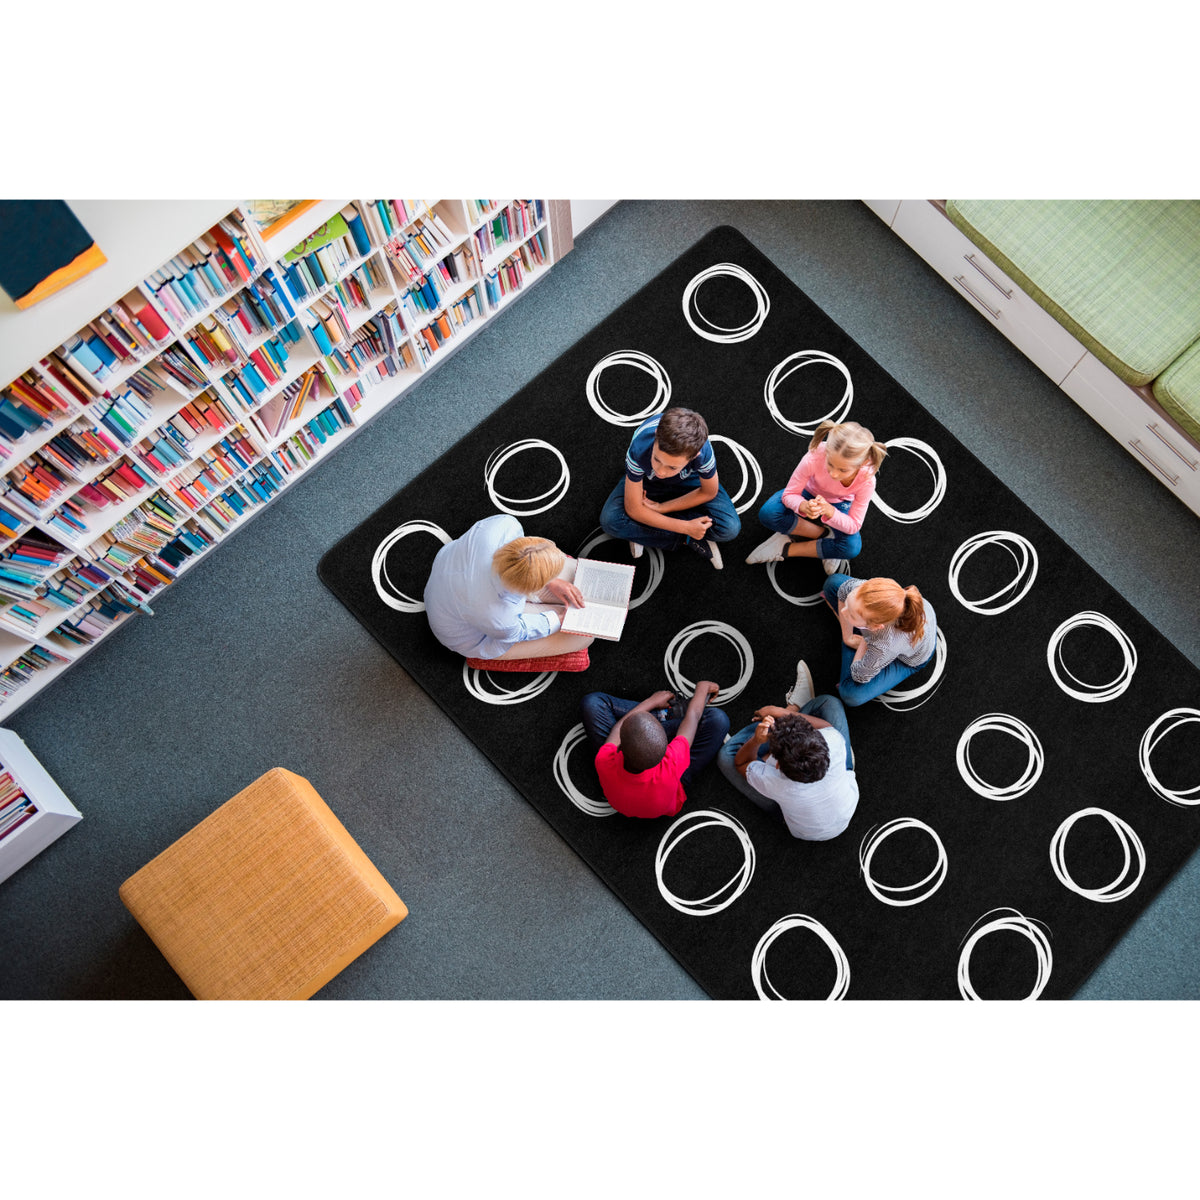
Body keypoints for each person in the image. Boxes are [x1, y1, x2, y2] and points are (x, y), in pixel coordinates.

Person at [717, 660, 858, 840]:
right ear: (819, 739)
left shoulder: (777, 783)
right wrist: (779, 712)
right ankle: (791, 711)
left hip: (797, 823)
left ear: (776, 765)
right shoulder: (832, 741)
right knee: (828, 703)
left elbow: (741, 762)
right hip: (844, 805)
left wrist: (756, 740)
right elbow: (826, 726)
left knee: (726, 756)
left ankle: (783, 718)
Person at [423, 512, 594, 661]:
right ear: (531, 587)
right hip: (476, 634)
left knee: (575, 577)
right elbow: (519, 630)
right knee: (583, 638)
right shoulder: (499, 619)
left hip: (455, 576)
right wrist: (559, 620)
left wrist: (551, 580)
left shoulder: (504, 526)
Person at [599, 406, 741, 570]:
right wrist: (686, 528)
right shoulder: (640, 447)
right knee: (610, 520)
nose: (660, 471)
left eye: (671, 467)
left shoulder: (703, 452)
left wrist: (661, 508)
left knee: (730, 528)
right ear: (656, 437)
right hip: (646, 480)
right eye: (657, 459)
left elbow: (709, 491)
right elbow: (634, 509)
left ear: (694, 456)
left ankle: (643, 530)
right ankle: (688, 538)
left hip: (689, 480)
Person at [745, 420, 886, 575]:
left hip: (840, 504)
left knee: (851, 548)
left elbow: (854, 525)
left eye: (843, 470)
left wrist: (830, 512)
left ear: (863, 463)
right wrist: (802, 506)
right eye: (830, 464)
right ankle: (825, 536)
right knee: (768, 513)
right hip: (808, 492)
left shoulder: (867, 480)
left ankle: (786, 548)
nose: (834, 474)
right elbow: (790, 494)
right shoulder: (816, 454)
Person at [580, 681, 729, 818]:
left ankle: (658, 715)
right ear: (666, 749)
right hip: (674, 783)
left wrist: (651, 701)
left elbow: (620, 727)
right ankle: (665, 716)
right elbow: (693, 716)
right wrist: (702, 688)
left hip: (626, 793)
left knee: (592, 703)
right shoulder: (671, 762)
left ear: (620, 748)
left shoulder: (605, 760)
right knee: (718, 720)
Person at [823, 572, 937, 706]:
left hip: (912, 658)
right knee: (833, 583)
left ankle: (858, 635)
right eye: (848, 605)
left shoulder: (883, 645)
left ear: (876, 626)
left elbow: (859, 675)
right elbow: (843, 592)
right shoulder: (859, 588)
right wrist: (848, 637)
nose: (843, 612)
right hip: (888, 630)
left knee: (850, 694)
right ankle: (856, 630)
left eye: (851, 614)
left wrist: (866, 641)